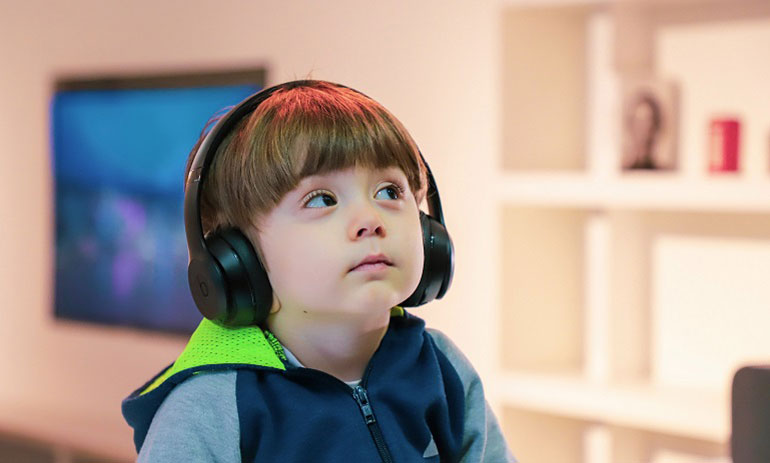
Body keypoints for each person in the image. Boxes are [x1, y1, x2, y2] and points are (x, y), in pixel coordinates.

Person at [121, 80, 515, 462]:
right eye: (322, 199)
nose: (370, 219)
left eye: (389, 192)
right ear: (239, 260)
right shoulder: (212, 407)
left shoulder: (441, 368)